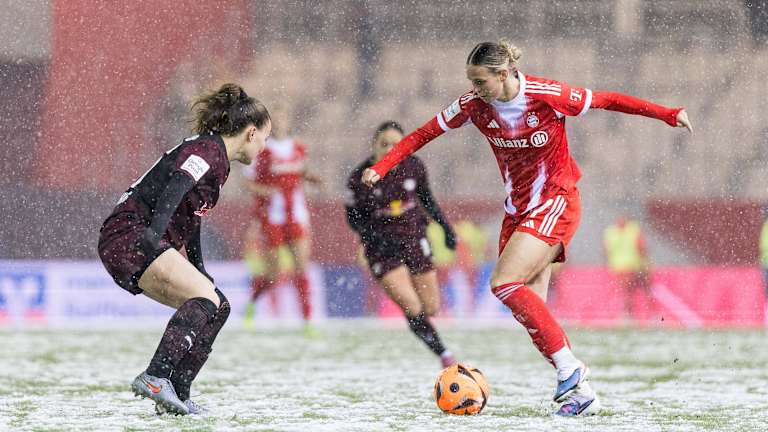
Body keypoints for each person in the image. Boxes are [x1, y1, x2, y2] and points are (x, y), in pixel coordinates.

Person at [361, 41, 692, 416]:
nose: (474, 89)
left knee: (503, 282)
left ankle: (572, 370)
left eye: (480, 81)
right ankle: (581, 393)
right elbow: (423, 133)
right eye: (470, 81)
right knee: (530, 307)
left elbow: (608, 100)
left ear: (503, 75)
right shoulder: (474, 106)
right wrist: (384, 164)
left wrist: (668, 114)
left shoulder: (546, 95)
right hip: (517, 211)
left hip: (555, 200)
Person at [97, 83, 271, 415]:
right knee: (204, 299)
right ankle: (156, 376)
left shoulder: (218, 160)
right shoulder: (207, 150)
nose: (264, 146)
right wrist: (155, 234)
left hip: (140, 237)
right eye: (265, 138)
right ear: (251, 133)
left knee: (218, 306)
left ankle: (176, 393)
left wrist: (199, 267)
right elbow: (177, 186)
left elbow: (191, 216)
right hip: (129, 235)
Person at [346, 121, 458, 368]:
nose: (389, 149)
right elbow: (353, 219)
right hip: (382, 249)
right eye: (384, 144)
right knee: (412, 305)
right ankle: (444, 354)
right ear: (373, 145)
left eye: (396, 145)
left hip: (415, 239)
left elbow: (427, 200)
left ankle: (429, 336)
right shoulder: (359, 177)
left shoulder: (414, 167)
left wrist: (446, 228)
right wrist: (373, 236)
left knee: (431, 307)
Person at [242, 104, 321, 333]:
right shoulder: (261, 150)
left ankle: (308, 322)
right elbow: (247, 182)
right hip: (272, 217)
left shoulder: (298, 148)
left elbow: (300, 172)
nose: (280, 124)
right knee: (274, 273)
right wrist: (264, 191)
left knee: (301, 268)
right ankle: (252, 304)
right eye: (274, 120)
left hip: (296, 215)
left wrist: (310, 178)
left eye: (283, 118)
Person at [603, 217, 652, 321]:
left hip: (622, 266)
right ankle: (640, 314)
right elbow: (642, 248)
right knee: (639, 290)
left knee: (628, 291)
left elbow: (606, 250)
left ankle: (629, 314)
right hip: (632, 265)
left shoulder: (611, 232)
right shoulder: (633, 230)